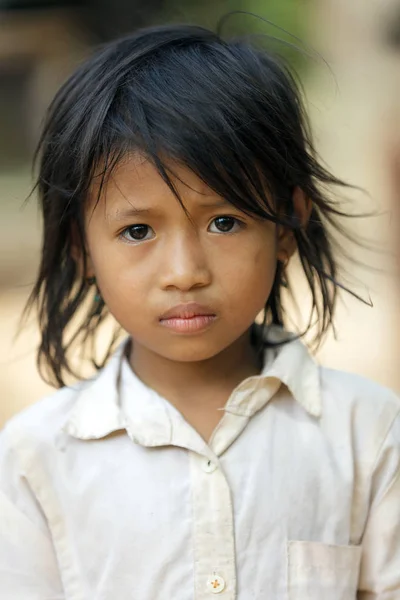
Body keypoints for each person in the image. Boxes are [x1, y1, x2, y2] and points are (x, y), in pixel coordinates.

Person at [0, 23, 399, 600]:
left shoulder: (368, 432)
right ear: (82, 248)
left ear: (288, 226)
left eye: (224, 222)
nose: (185, 270)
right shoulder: (33, 458)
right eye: (137, 230)